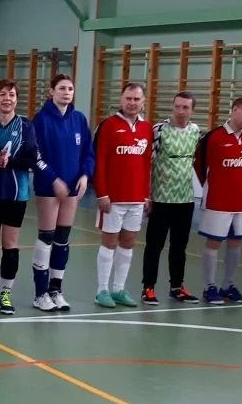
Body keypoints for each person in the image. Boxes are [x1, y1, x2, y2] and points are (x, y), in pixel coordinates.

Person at [31, 73, 95, 311]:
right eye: (62, 88)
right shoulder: (40, 120)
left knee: (62, 238)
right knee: (46, 237)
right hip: (48, 188)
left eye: (70, 89)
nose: (67, 92)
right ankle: (40, 294)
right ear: (51, 92)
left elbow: (88, 152)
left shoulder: (79, 119)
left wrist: (85, 175)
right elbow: (35, 155)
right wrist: (53, 179)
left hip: (72, 188)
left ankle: (55, 290)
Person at [0, 79, 42, 315]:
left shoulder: (26, 126)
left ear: (16, 100)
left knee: (10, 245)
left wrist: (9, 162)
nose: (7, 98)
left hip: (16, 194)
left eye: (11, 95)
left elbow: (32, 158)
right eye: (2, 94)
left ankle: (6, 293)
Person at [92, 83, 152, 308]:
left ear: (143, 102)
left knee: (128, 242)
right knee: (109, 242)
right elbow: (99, 161)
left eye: (136, 99)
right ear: (121, 99)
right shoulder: (108, 125)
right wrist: (102, 193)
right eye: (128, 98)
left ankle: (118, 289)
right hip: (113, 198)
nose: (132, 103)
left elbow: (146, 164)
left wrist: (146, 195)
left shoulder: (147, 128)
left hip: (136, 199)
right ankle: (102, 290)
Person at [140, 92, 202, 305]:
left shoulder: (195, 131)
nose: (180, 111)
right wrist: (147, 195)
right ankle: (148, 287)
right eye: (177, 106)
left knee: (179, 246)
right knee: (154, 245)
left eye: (185, 107)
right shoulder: (159, 130)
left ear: (192, 110)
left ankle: (177, 286)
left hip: (185, 199)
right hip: (160, 198)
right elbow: (147, 162)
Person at [196, 97, 242, 304]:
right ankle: (209, 287)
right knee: (214, 242)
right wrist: (212, 188)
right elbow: (199, 166)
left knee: (236, 242)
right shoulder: (214, 137)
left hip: (241, 202)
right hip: (217, 202)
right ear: (234, 110)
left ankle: (228, 285)